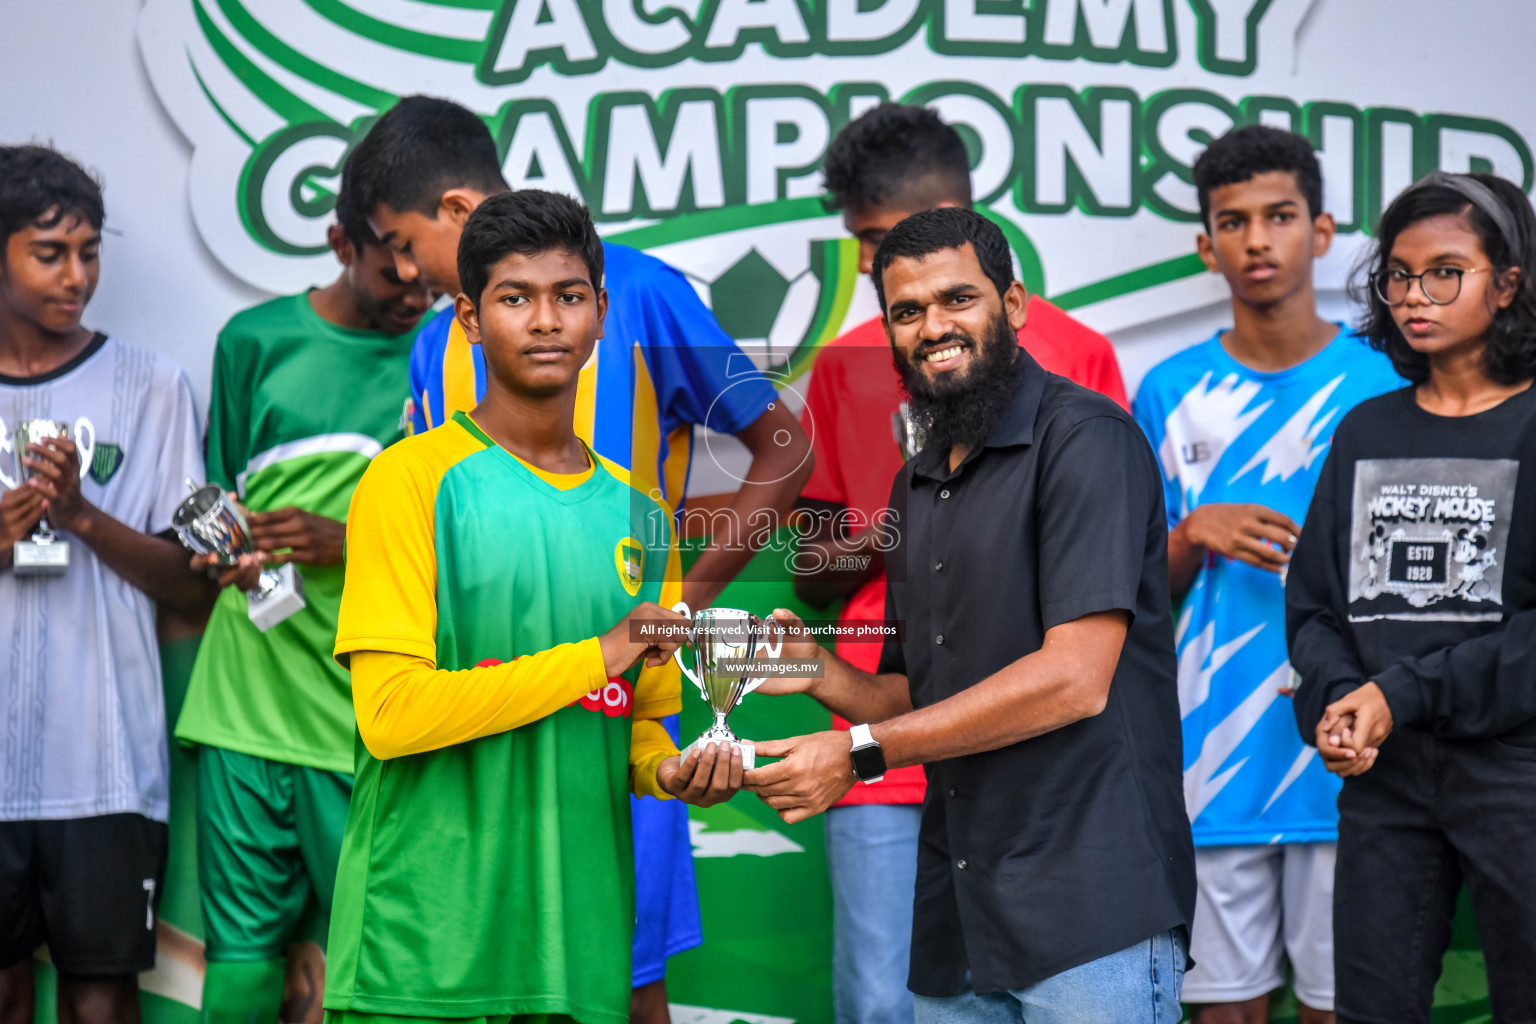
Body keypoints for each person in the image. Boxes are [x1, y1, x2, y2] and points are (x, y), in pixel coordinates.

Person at [341, 94, 813, 1020]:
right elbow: (399, 703)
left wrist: (665, 629)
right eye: (515, 300)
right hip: (437, 870)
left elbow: (781, 447)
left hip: (586, 804)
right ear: (480, 318)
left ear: (597, 310)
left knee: (628, 978)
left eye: (566, 299)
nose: (403, 268)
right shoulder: (423, 407)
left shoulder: (644, 329)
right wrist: (604, 648)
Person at [746, 207, 1195, 1024]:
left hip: (1092, 909)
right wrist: (817, 671)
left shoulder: (1088, 439)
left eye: (959, 299)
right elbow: (920, 694)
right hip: (961, 918)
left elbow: (1074, 681)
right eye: (907, 311)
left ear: (1014, 304)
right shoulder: (916, 482)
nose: (933, 327)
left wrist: (860, 752)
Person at [793, 101, 1130, 1024]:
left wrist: (859, 745)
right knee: (882, 1002)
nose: (925, 320)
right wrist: (822, 655)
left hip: (1053, 785)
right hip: (906, 764)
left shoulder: (1084, 397)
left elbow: (1084, 646)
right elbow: (816, 571)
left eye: (881, 240)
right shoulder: (870, 404)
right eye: (895, 293)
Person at [1131, 125, 1402, 1024]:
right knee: (1224, 1014)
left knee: (1341, 1010)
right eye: (1234, 221)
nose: (1258, 240)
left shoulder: (1386, 384)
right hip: (1211, 762)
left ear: (1321, 232)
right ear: (1207, 244)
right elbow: (1127, 594)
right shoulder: (1168, 392)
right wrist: (1189, 532)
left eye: (1280, 216)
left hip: (1351, 751)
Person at [172, 177, 436, 1021]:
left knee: (378, 958)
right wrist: (227, 552)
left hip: (361, 708)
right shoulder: (253, 340)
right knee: (242, 960)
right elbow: (216, 498)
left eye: (426, 275)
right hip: (242, 697)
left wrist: (344, 541)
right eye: (393, 268)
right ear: (341, 243)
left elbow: (464, 539)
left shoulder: (446, 357)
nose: (414, 289)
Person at [1287, 170, 1536, 1024]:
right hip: (1386, 781)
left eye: (1444, 271)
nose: (1413, 296)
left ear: (1509, 283)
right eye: (1397, 274)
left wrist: (1398, 692)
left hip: (1517, 773)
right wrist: (1335, 703)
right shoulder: (1369, 429)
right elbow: (1315, 604)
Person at [0, 145, 208, 1024]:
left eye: (90, 251)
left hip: (108, 763)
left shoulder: (152, 385)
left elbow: (191, 583)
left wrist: (82, 517)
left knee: (100, 1000)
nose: (77, 275)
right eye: (51, 253)